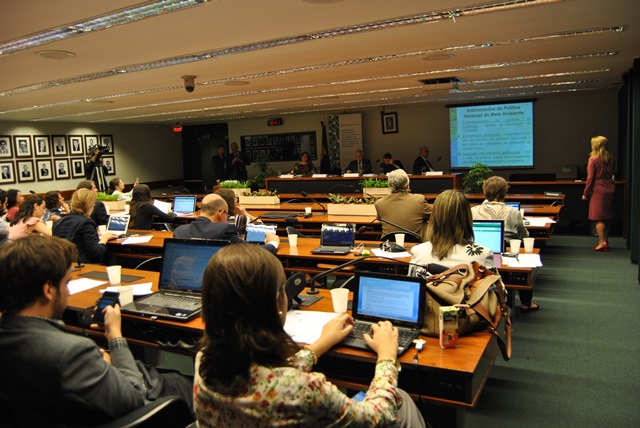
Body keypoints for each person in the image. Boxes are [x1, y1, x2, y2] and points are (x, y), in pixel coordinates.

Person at [194, 244, 425, 427]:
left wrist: (319, 346)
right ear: (277, 303)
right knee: (401, 402)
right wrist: (386, 356)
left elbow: (270, 379)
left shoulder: (203, 362)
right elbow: (378, 416)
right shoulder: (304, 390)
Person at [0, 235, 194, 426]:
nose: (68, 292)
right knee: (186, 381)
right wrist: (115, 336)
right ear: (48, 290)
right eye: (66, 283)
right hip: (139, 408)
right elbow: (135, 398)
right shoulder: (72, 353)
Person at [471, 176, 538, 312]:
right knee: (521, 251)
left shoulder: (473, 211)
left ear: (485, 192)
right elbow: (523, 236)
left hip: (477, 256)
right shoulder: (513, 212)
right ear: (504, 193)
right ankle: (526, 302)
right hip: (505, 256)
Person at [409, 189, 494, 272]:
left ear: (434, 218)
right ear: (468, 218)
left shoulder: (418, 252)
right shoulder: (483, 255)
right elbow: (495, 285)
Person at [173, 193, 279, 253]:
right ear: (221, 213)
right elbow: (251, 252)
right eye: (227, 214)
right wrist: (273, 243)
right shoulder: (223, 230)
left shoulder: (179, 231)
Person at [52, 188, 115, 264]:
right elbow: (96, 253)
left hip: (63, 264)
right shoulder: (86, 222)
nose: (94, 205)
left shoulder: (58, 222)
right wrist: (105, 238)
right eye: (93, 203)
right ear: (89, 205)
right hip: (84, 265)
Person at [374, 169, 431, 240]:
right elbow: (433, 216)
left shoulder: (380, 203)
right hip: (415, 244)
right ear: (407, 184)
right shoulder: (419, 200)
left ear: (389, 185)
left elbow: (379, 218)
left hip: (389, 245)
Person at [582, 135, 616, 252]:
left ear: (595, 145)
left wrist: (586, 193)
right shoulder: (611, 158)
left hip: (599, 190)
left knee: (598, 218)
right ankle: (605, 239)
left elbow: (590, 178)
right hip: (610, 187)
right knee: (607, 217)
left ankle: (602, 242)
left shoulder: (593, 159)